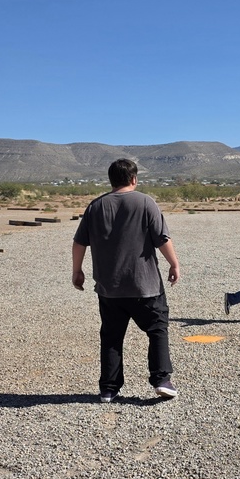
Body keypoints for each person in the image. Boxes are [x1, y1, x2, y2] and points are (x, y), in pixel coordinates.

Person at [72, 158, 181, 403]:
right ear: (134, 179)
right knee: (157, 330)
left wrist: (76, 271)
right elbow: (162, 239)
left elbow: (79, 242)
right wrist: (174, 264)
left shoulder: (95, 206)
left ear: (111, 180)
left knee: (111, 336)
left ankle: (109, 389)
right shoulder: (146, 202)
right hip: (145, 285)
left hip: (109, 288)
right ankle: (161, 380)